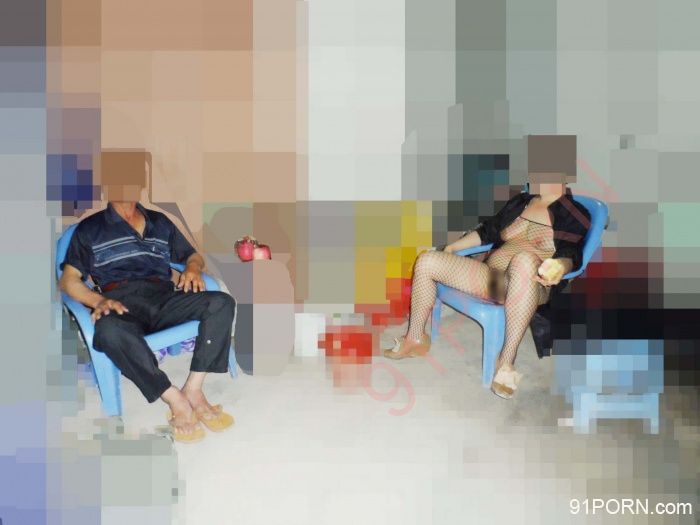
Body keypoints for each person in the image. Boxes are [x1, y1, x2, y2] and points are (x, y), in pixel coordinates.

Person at [383, 136, 591, 399]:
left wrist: (559, 266)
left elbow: (572, 252)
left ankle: (506, 362)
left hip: (530, 287)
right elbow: (488, 231)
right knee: (427, 260)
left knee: (524, 260)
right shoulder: (521, 202)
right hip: (492, 281)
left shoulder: (575, 212)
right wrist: (453, 248)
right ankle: (415, 338)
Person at [59, 152, 235, 443]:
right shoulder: (89, 230)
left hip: (164, 297)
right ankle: (174, 398)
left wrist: (192, 268)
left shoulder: (159, 221)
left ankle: (193, 388)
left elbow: (192, 256)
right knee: (108, 330)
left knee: (221, 302)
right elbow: (68, 280)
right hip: (121, 301)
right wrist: (98, 301)